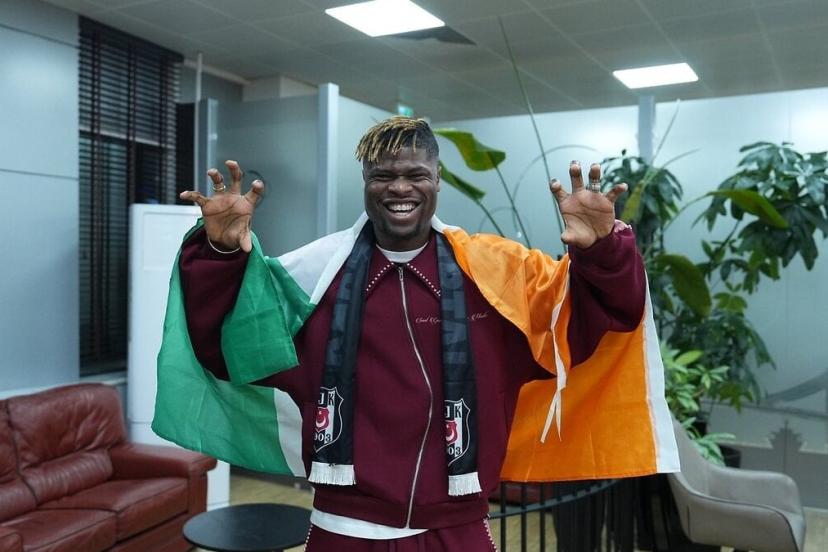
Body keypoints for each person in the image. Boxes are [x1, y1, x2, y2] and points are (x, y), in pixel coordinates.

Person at [153, 117, 678, 551]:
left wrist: (601, 252)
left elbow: (591, 321)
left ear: (437, 180)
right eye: (383, 175)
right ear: (365, 182)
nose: (400, 187)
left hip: (458, 529)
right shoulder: (312, 278)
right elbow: (230, 346)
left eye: (415, 174)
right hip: (342, 529)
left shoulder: (496, 274)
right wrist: (219, 252)